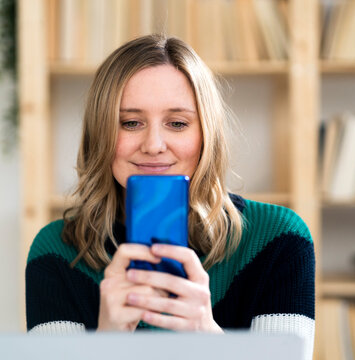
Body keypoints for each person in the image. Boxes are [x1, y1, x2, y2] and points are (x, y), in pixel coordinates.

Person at [25, 34, 315, 358]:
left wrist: (208, 337)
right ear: (101, 133)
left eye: (177, 123)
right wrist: (107, 342)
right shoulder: (55, 252)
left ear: (206, 134)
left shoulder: (280, 239)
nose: (153, 145)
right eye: (130, 122)